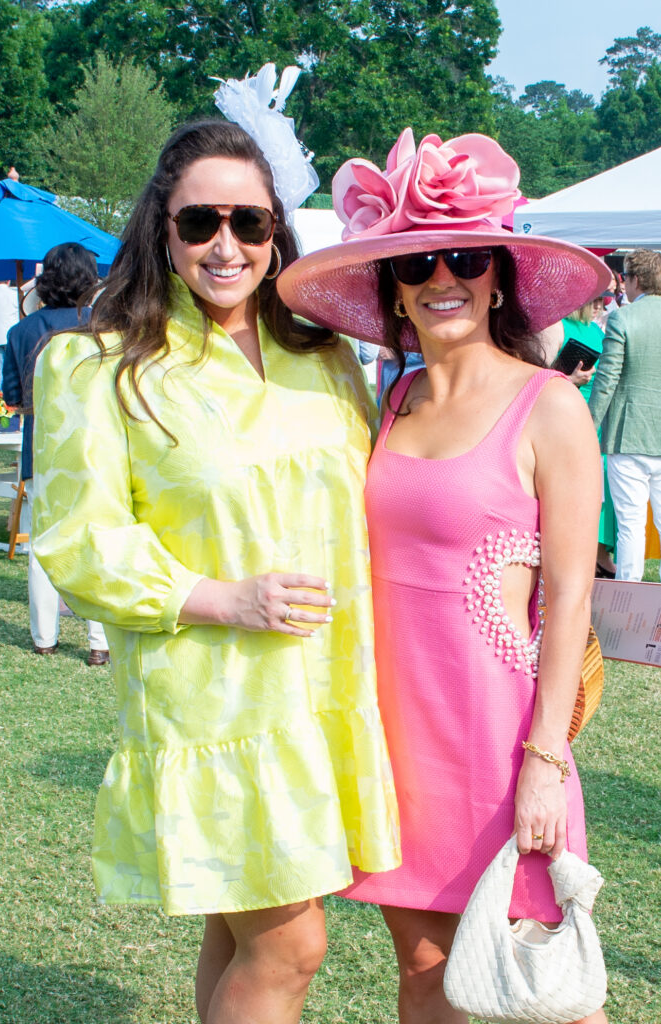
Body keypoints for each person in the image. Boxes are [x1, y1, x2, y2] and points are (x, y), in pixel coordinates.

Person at [31, 105, 399, 1024]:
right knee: (291, 942)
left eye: (249, 221)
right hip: (212, 701)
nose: (225, 244)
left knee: (240, 935)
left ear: (277, 233)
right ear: (163, 230)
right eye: (200, 221)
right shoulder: (98, 364)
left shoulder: (323, 359)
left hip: (325, 691)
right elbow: (79, 537)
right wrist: (219, 597)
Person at [279, 127, 610, 1024]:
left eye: (463, 254)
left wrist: (545, 758)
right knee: (426, 971)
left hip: (503, 741)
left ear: (497, 274)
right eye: (416, 262)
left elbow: (570, 600)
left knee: (546, 984)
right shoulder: (389, 399)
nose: (442, 277)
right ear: (392, 288)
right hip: (396, 738)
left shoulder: (550, 408)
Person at [2, 243, 110, 664]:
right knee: (99, 540)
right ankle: (99, 642)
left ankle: (44, 637)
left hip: (41, 448)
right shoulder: (105, 326)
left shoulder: (21, 332)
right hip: (98, 448)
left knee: (42, 547)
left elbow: (13, 396)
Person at [588, 248, 661, 581]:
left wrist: (588, 426)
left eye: (626, 276)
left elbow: (606, 380)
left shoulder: (623, 318)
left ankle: (629, 599)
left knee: (631, 525)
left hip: (627, 434)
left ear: (635, 279)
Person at [552, 302, 617, 576]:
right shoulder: (558, 328)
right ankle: (587, 555)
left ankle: (599, 554)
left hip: (594, 420)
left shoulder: (595, 331)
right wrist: (569, 378)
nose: (597, 306)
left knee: (600, 491)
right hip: (565, 414)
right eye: (593, 301)